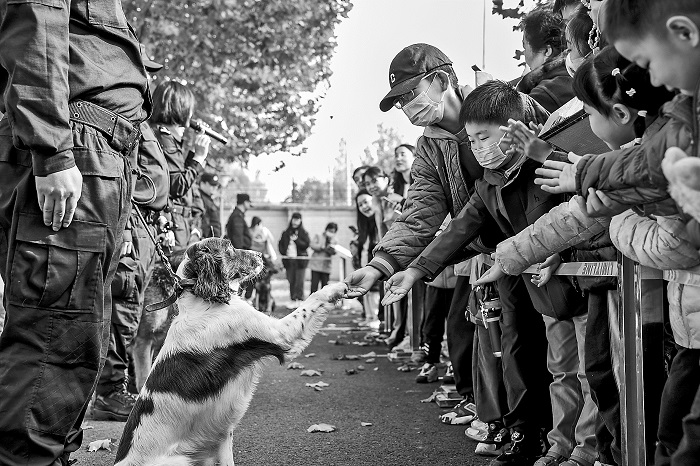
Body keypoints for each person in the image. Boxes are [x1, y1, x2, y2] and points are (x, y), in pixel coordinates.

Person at [480, 46, 677, 466]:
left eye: (587, 112)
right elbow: (579, 211)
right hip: (644, 301)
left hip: (658, 311)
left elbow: (667, 239)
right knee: (606, 377)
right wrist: (511, 255)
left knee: (648, 404)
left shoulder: (660, 160)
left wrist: (619, 224)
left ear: (620, 113)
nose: (584, 123)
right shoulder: (633, 157)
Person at [384, 81, 597, 466]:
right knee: (559, 369)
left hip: (579, 281)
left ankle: (586, 450)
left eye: (484, 137)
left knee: (589, 370)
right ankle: (556, 445)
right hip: (541, 290)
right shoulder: (488, 183)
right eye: (472, 140)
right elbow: (458, 230)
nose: (478, 147)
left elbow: (578, 213)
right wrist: (414, 271)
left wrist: (559, 253)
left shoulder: (550, 162)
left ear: (514, 128)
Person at [0, 1, 150, 463]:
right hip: (75, 144)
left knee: (77, 337)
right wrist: (52, 151)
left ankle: (49, 454)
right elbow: (38, 15)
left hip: (93, 149)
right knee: (54, 335)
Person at [344, 44, 502, 443]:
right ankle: (507, 426)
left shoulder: (500, 105)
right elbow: (420, 213)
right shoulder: (429, 147)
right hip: (486, 253)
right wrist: (380, 265)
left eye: (410, 94)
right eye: (399, 103)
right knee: (499, 344)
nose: (407, 108)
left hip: (536, 245)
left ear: (441, 81)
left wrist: (418, 266)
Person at [93, 49, 170, 422]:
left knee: (130, 310)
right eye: (144, 70)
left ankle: (115, 388)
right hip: (128, 225)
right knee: (122, 310)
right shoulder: (119, 106)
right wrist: (122, 224)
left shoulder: (137, 110)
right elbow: (121, 172)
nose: (148, 78)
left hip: (143, 227)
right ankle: (110, 391)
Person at [151, 80, 211, 254]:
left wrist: (194, 152)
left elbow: (175, 174)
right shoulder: (164, 138)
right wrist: (199, 157)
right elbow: (177, 186)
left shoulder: (159, 135)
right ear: (180, 107)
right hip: (171, 228)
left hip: (176, 226)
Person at [517, 7, 575, 112]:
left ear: (547, 51)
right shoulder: (577, 76)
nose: (524, 54)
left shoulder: (547, 93)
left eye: (525, 47)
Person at [279, 212, 310, 308]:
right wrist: (283, 252)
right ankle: (293, 299)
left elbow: (306, 245)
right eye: (294, 219)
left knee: (299, 281)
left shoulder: (304, 233)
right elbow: (281, 244)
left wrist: (296, 240)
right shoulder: (286, 233)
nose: (295, 221)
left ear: (300, 221)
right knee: (291, 280)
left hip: (300, 261)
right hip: (289, 260)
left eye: (297, 219)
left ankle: (299, 299)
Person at [309, 222, 338, 293]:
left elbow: (335, 251)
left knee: (325, 288)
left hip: (326, 267)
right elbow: (312, 245)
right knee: (314, 287)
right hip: (316, 265)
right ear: (326, 229)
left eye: (333, 232)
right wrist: (322, 247)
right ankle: (312, 300)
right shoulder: (318, 236)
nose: (331, 233)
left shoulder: (334, 240)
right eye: (330, 231)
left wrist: (331, 250)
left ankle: (323, 300)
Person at [199, 173, 222, 238]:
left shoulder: (209, 199)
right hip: (205, 238)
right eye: (211, 185)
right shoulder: (199, 199)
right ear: (202, 184)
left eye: (216, 186)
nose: (215, 188)